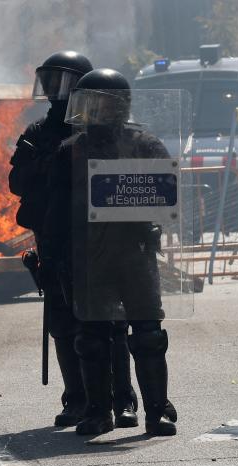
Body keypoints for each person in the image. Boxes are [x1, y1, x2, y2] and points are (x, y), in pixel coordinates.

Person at [9, 51, 138, 429]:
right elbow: (16, 182)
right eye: (48, 81)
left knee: (112, 322)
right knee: (64, 321)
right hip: (56, 235)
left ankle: (123, 399)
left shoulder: (102, 128)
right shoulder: (38, 134)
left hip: (104, 236)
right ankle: (78, 398)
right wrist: (49, 162)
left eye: (62, 82)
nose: (53, 91)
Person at [50, 68, 177, 436]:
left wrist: (153, 221)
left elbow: (166, 195)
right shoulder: (71, 150)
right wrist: (55, 256)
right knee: (91, 336)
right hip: (89, 255)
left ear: (120, 106)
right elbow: (55, 210)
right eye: (87, 102)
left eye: (101, 103)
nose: (94, 110)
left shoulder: (145, 145)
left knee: (149, 334)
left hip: (135, 253)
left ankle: (157, 411)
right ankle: (97, 410)